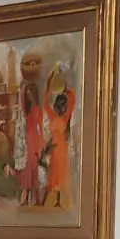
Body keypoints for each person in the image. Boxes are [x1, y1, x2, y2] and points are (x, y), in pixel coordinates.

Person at [44, 80, 76, 209]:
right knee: (54, 174)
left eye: (62, 106)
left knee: (61, 175)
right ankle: (56, 200)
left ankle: (61, 201)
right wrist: (48, 88)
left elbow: (72, 99)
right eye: (59, 106)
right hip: (54, 149)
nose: (60, 108)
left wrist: (66, 90)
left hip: (61, 149)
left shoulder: (65, 118)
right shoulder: (53, 116)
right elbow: (45, 103)